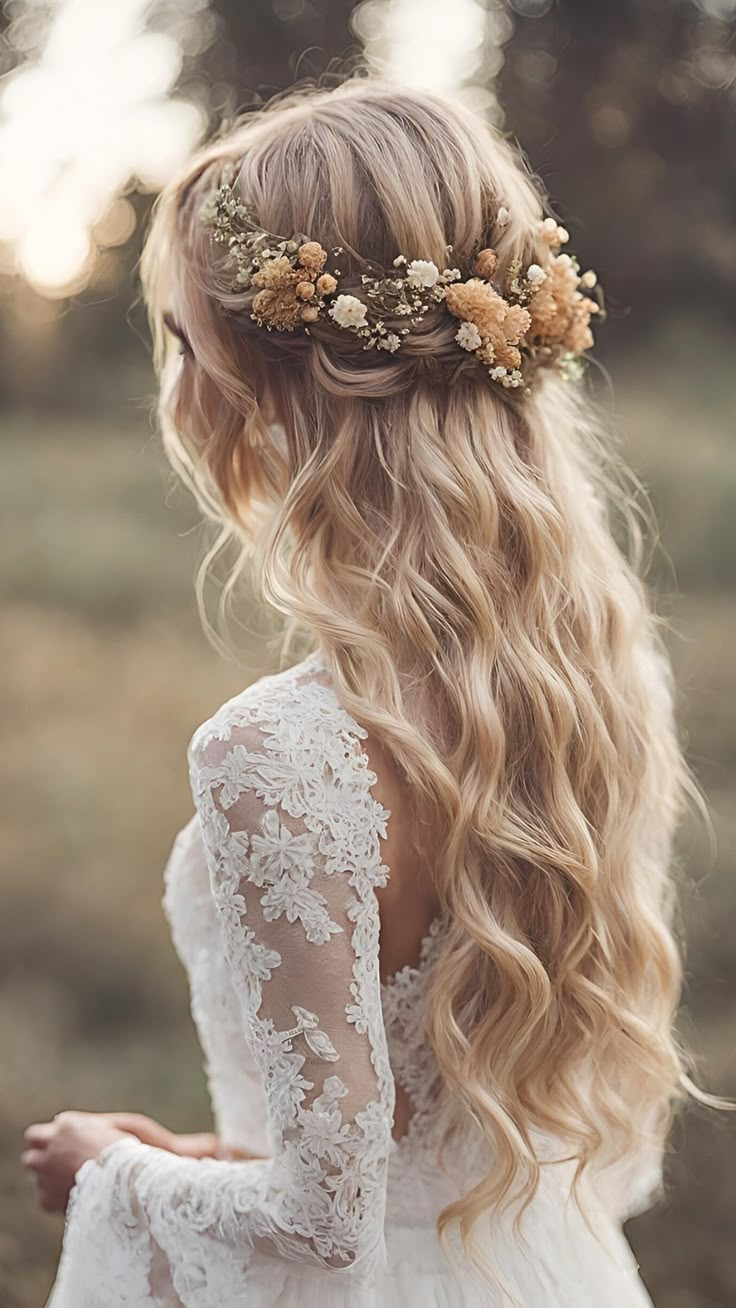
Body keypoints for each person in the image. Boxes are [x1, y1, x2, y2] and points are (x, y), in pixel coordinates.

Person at [22, 78, 722, 1307]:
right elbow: (489, 1141)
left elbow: (324, 1222)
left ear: (268, 382)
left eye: (189, 343)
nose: (177, 391)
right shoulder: (597, 676)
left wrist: (113, 1171)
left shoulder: (279, 748)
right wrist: (221, 1163)